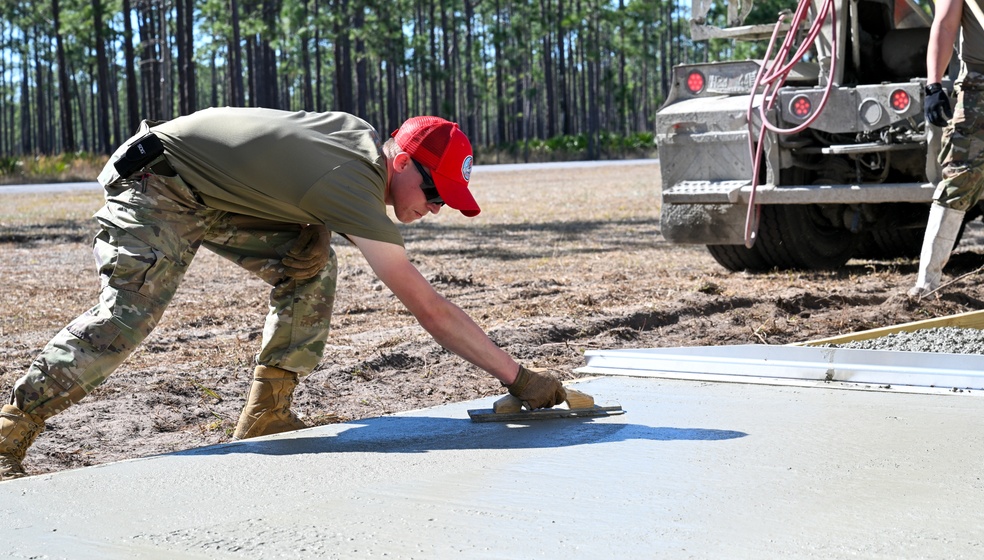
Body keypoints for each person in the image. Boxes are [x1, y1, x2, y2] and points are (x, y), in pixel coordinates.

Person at [0, 108, 567, 481]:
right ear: (401, 160)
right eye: (434, 190)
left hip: (207, 191)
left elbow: (284, 172)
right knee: (127, 316)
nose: (436, 207)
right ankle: (11, 428)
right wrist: (518, 378)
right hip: (158, 184)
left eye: (447, 200)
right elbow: (430, 311)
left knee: (311, 261)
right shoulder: (353, 178)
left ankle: (266, 412)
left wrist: (313, 227)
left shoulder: (359, 145)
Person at [910, 0, 984, 297]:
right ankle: (926, 284)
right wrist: (934, 85)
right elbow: (946, 23)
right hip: (983, 85)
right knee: (961, 177)